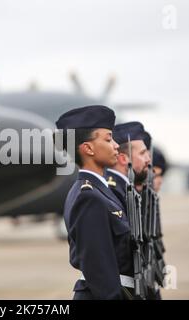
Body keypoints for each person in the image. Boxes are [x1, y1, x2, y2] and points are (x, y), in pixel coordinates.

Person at [56, 105, 134, 299]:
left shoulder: (101, 191)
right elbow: (98, 268)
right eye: (108, 139)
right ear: (88, 148)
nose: (116, 145)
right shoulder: (89, 197)